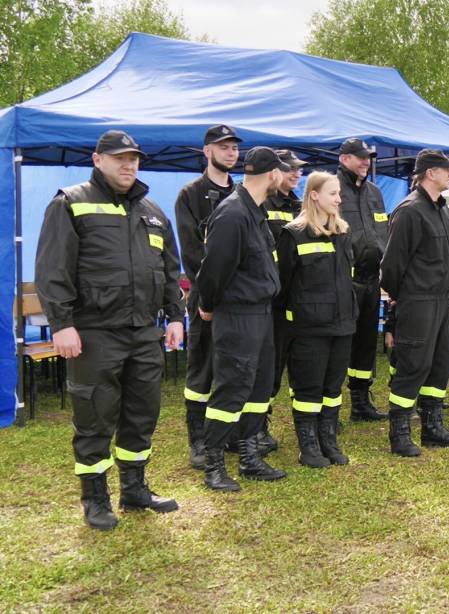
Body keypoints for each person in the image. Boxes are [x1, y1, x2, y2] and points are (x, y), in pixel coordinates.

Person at [37, 130, 185, 530]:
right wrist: (62, 324)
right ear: (97, 159)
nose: (128, 164)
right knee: (95, 415)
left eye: (134, 158)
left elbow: (170, 270)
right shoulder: (71, 203)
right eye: (119, 158)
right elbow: (53, 270)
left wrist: (174, 316)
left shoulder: (152, 210)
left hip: (143, 332)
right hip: (94, 331)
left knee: (142, 413)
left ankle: (134, 489)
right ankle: (95, 498)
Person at [197, 146, 291, 491]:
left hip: (261, 313)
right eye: (283, 172)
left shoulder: (254, 211)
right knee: (231, 389)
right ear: (272, 175)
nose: (286, 177)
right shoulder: (234, 213)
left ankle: (250, 457)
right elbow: (214, 268)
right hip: (237, 315)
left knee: (258, 387)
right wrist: (207, 304)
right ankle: (214, 465)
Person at [381, 149, 449, 456]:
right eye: (447, 170)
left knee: (441, 363)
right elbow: (391, 266)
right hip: (418, 301)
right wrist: (405, 297)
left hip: (442, 302)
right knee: (413, 366)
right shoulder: (410, 211)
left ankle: (433, 427)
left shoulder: (443, 209)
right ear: (430, 173)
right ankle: (400, 433)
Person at [276, 171, 357, 468]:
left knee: (333, 389)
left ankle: (328, 440)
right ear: (313, 195)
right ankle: (308, 446)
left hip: (343, 324)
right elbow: (282, 285)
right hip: (309, 328)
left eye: (339, 194)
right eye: (333, 193)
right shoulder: (293, 234)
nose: (339, 199)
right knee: (308, 388)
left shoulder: (343, 233)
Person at [174, 124, 239, 470]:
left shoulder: (241, 193)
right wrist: (212, 293)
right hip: (207, 298)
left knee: (231, 368)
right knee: (202, 369)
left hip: (240, 300)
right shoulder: (191, 194)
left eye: (233, 147)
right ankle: (198, 440)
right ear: (207, 152)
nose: (230, 152)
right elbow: (192, 253)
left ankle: (225, 433)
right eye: (223, 146)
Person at [335, 138, 389, 423]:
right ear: (344, 159)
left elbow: (382, 232)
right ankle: (328, 407)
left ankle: (360, 400)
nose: (365, 162)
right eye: (360, 157)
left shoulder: (374, 192)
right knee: (341, 343)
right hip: (344, 280)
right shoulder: (333, 190)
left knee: (367, 343)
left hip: (371, 280)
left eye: (368, 157)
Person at [262, 149, 308, 454]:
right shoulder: (263, 204)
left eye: (299, 170)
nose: (296, 175)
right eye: (290, 170)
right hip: (272, 302)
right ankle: (259, 423)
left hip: (298, 298)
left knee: (300, 363)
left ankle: (305, 418)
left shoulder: (299, 206)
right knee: (270, 366)